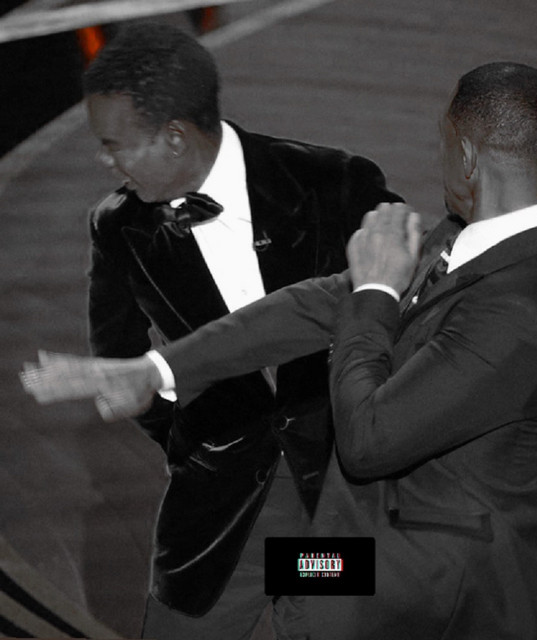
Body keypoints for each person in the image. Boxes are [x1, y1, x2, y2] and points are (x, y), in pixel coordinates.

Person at [23, 62, 537, 638]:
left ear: (469, 156)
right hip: (366, 535)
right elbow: (320, 303)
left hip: (421, 571)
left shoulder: (520, 309)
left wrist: (375, 291)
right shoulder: (478, 234)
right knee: (259, 575)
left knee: (293, 612)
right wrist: (157, 367)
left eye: (443, 141)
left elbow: (368, 440)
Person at [62, 20, 400, 640]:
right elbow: (118, 354)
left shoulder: (334, 181)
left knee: (323, 624)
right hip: (218, 515)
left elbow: (411, 313)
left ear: (173, 137)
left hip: (337, 500)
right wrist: (192, 437)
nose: (103, 161)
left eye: (114, 145)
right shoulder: (116, 226)